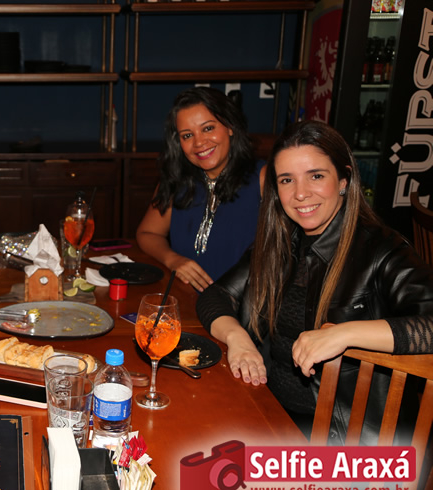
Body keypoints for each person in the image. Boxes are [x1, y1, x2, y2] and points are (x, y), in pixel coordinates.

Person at [196, 120, 433, 443]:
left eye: (316, 176)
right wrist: (238, 338)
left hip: (347, 444)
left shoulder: (382, 250)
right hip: (270, 416)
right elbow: (214, 296)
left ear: (344, 180)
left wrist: (345, 334)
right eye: (287, 180)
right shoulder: (280, 242)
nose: (300, 193)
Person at [136, 87, 264, 292]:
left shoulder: (263, 178)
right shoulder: (177, 179)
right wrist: (172, 259)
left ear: (230, 126)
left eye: (208, 128)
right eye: (187, 135)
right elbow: (147, 233)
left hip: (238, 306)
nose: (199, 143)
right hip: (185, 300)